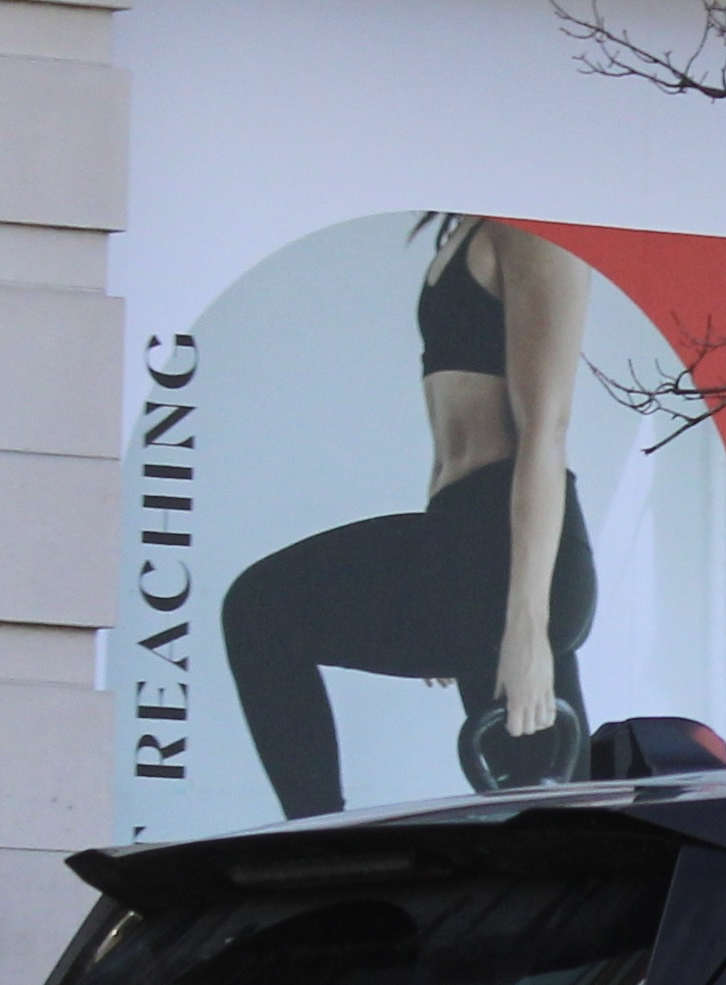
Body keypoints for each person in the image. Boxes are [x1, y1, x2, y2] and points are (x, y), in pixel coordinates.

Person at [222, 216, 599, 817]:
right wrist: (440, 582)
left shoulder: (535, 233)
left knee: (259, 607)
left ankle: (318, 838)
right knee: (547, 820)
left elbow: (545, 436)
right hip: (464, 547)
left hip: (506, 555)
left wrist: (526, 627)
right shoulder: (468, 230)